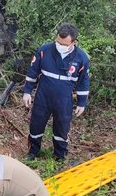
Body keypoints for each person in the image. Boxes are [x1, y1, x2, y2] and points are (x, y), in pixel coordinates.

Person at [23, 23, 90, 161]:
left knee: (62, 127)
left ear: (74, 42)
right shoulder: (44, 50)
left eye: (64, 44)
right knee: (36, 125)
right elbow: (33, 72)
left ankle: (59, 155)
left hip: (64, 99)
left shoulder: (81, 58)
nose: (60, 45)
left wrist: (82, 102)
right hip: (43, 96)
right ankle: (33, 151)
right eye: (58, 42)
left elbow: (83, 81)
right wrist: (27, 91)